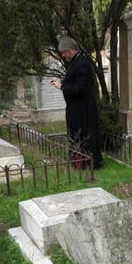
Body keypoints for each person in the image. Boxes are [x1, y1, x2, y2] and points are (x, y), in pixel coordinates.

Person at [50, 37, 102, 169]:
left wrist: (61, 86)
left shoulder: (82, 63)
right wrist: (62, 82)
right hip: (77, 108)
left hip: (83, 110)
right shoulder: (76, 62)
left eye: (64, 52)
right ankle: (79, 163)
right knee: (77, 136)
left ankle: (87, 164)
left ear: (71, 50)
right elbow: (74, 82)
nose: (63, 55)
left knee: (84, 136)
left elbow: (80, 89)